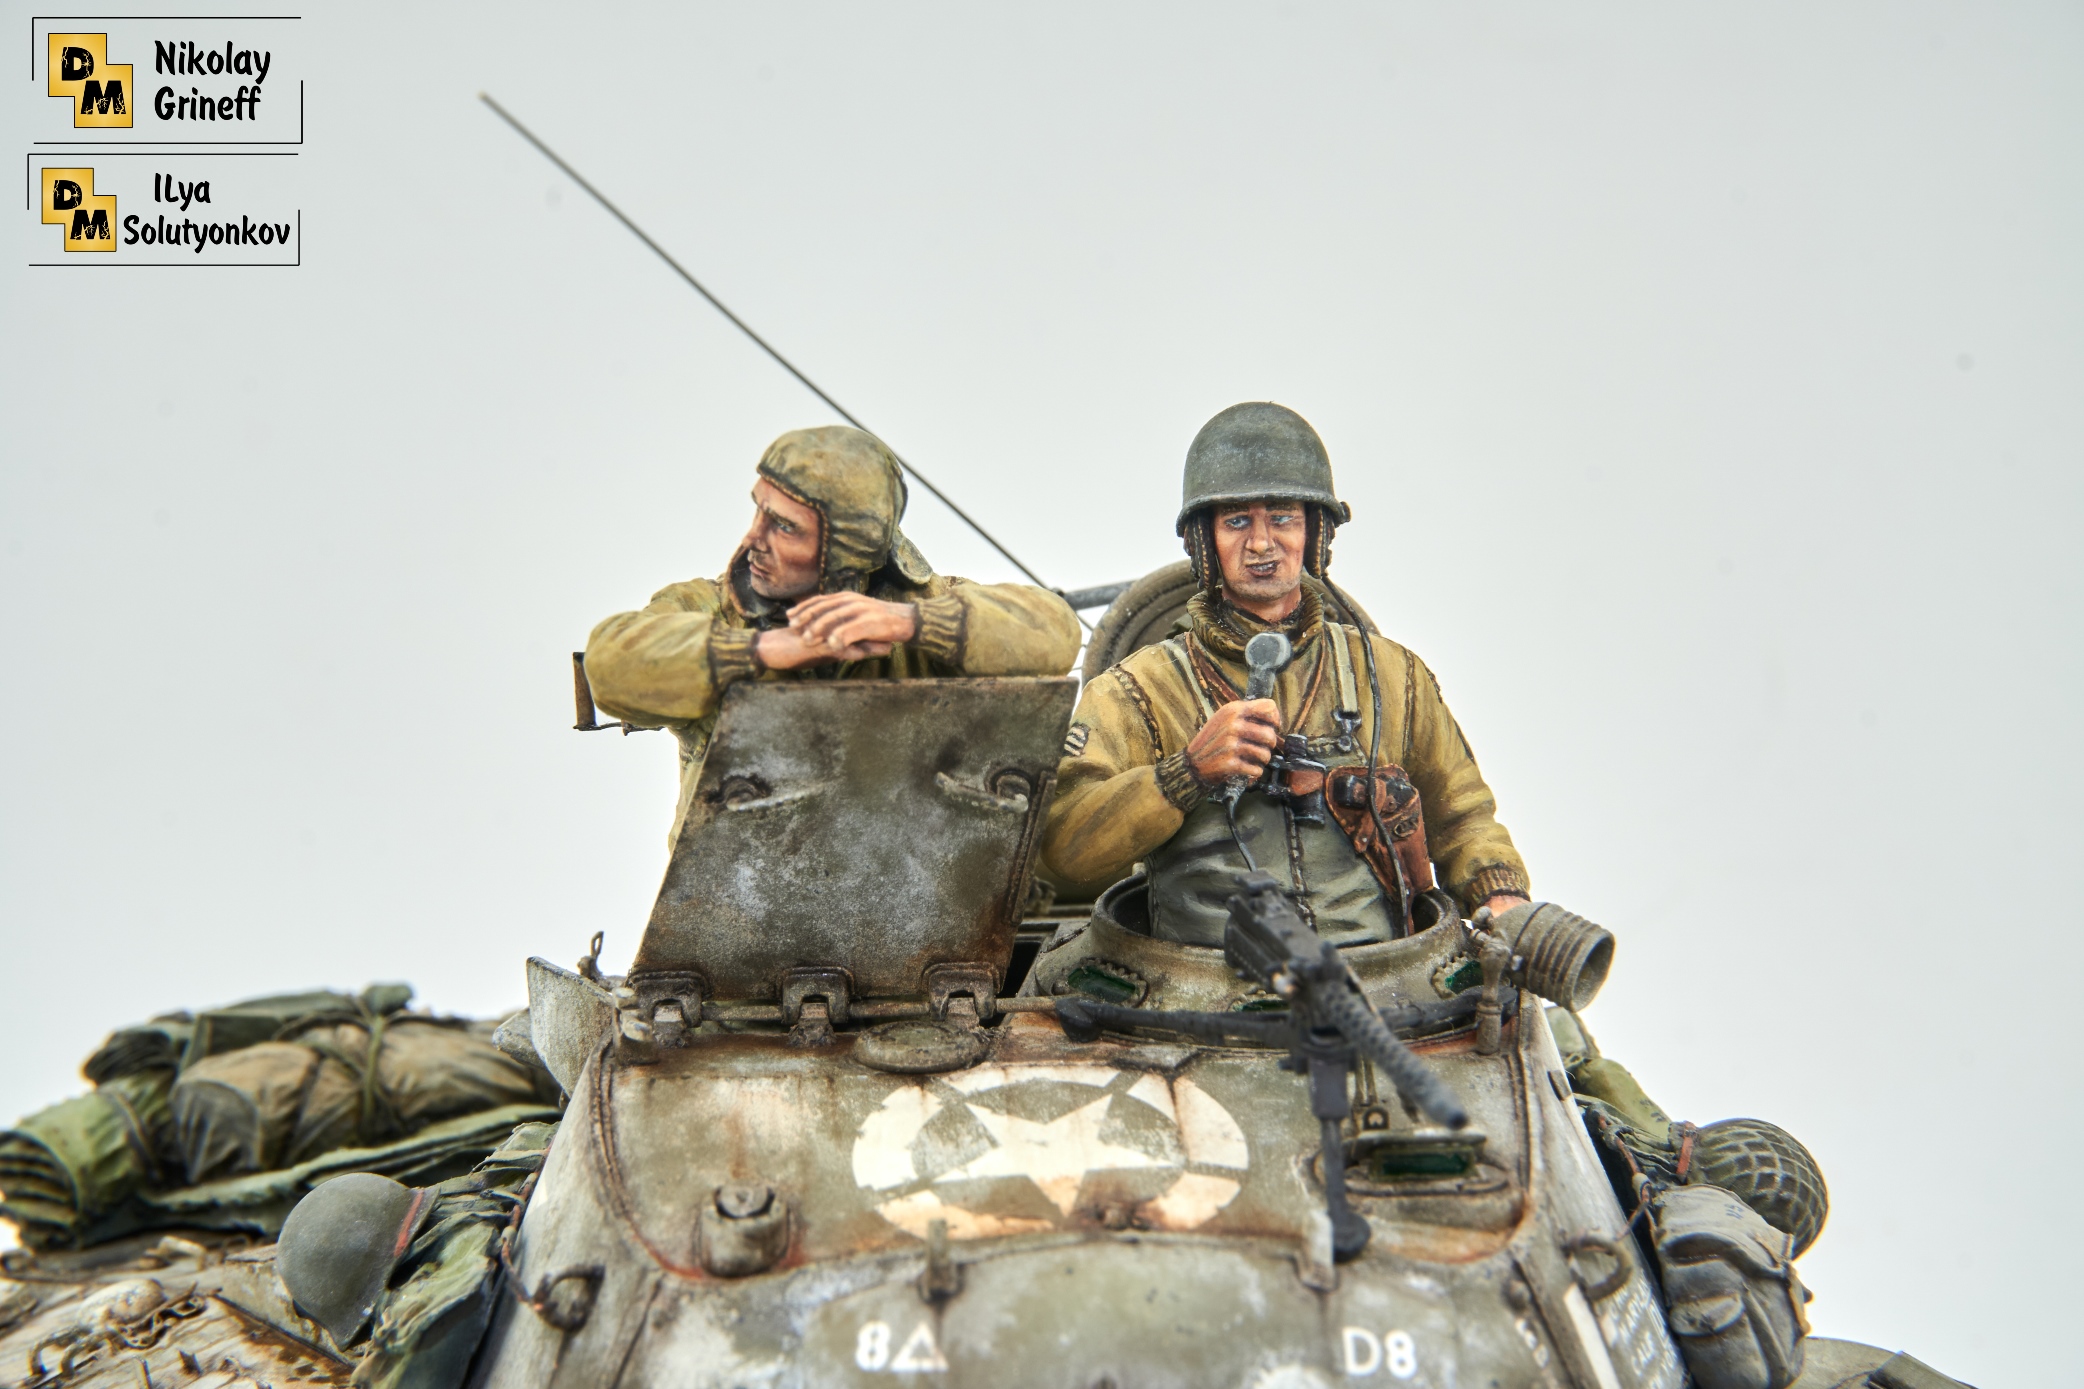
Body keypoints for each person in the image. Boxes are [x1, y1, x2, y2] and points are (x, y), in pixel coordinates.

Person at [1040, 402, 1529, 947]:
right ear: (1204, 541)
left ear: (1316, 534)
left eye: (1282, 518)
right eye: (1236, 521)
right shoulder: (1136, 691)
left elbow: (1463, 817)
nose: (1260, 543)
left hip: (1381, 973)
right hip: (1199, 978)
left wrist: (1499, 892)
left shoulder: (1394, 676)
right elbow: (1067, 846)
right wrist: (1185, 774)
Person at [585, 425, 1083, 847]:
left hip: (899, 887)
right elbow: (610, 665)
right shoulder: (709, 609)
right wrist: (763, 650)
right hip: (737, 904)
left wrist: (909, 624)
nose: (753, 539)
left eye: (784, 527)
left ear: (844, 552)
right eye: (759, 511)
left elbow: (1054, 630)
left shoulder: (925, 604)